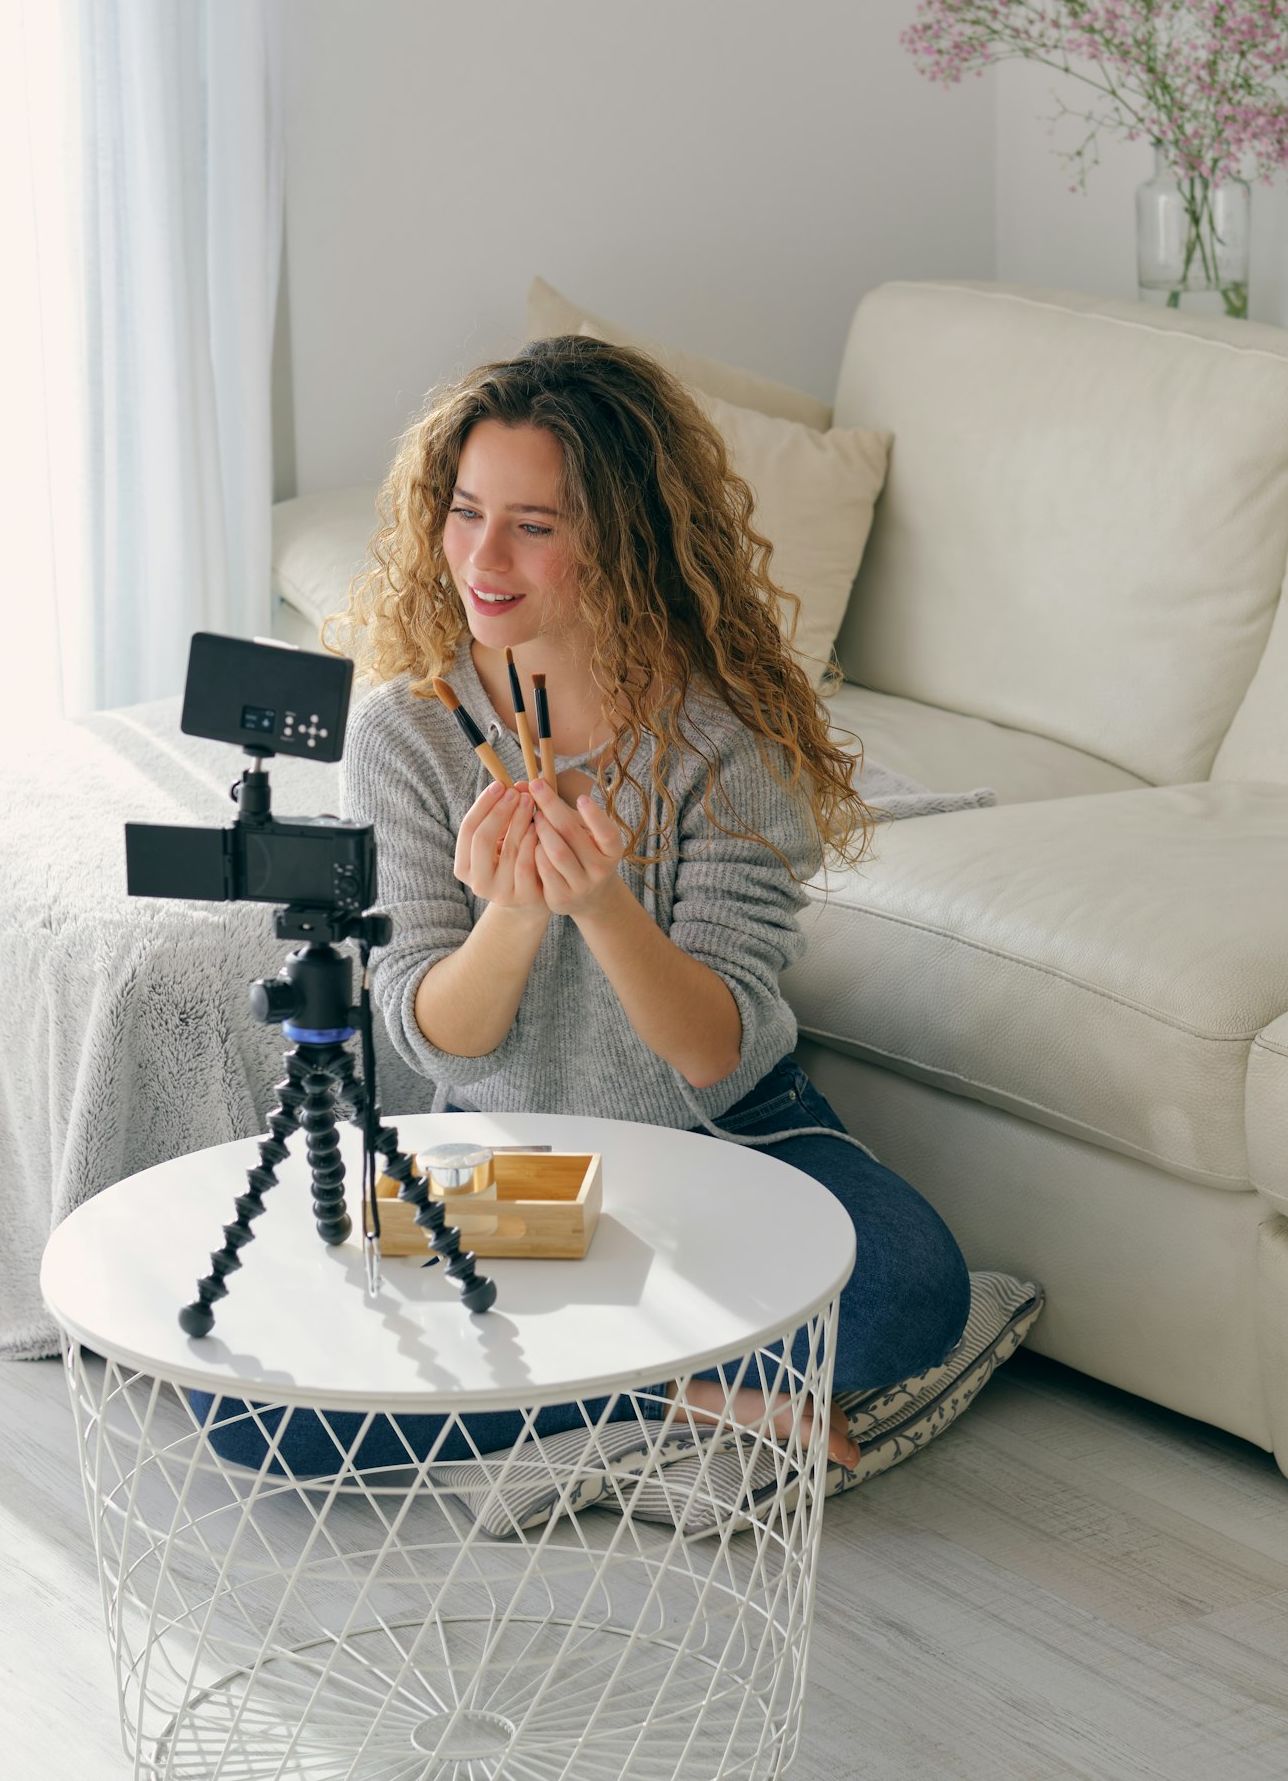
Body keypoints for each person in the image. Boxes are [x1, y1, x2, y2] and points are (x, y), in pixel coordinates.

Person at [193, 334, 970, 1477]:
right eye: (463, 511)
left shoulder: (722, 737)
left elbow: (715, 1050)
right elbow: (427, 1030)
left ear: (620, 538)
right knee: (258, 1410)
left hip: (726, 1129)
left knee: (911, 1291)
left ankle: (587, 1369)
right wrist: (512, 915)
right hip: (504, 1151)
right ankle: (687, 1386)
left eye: (534, 525)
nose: (482, 556)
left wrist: (602, 904)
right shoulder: (407, 730)